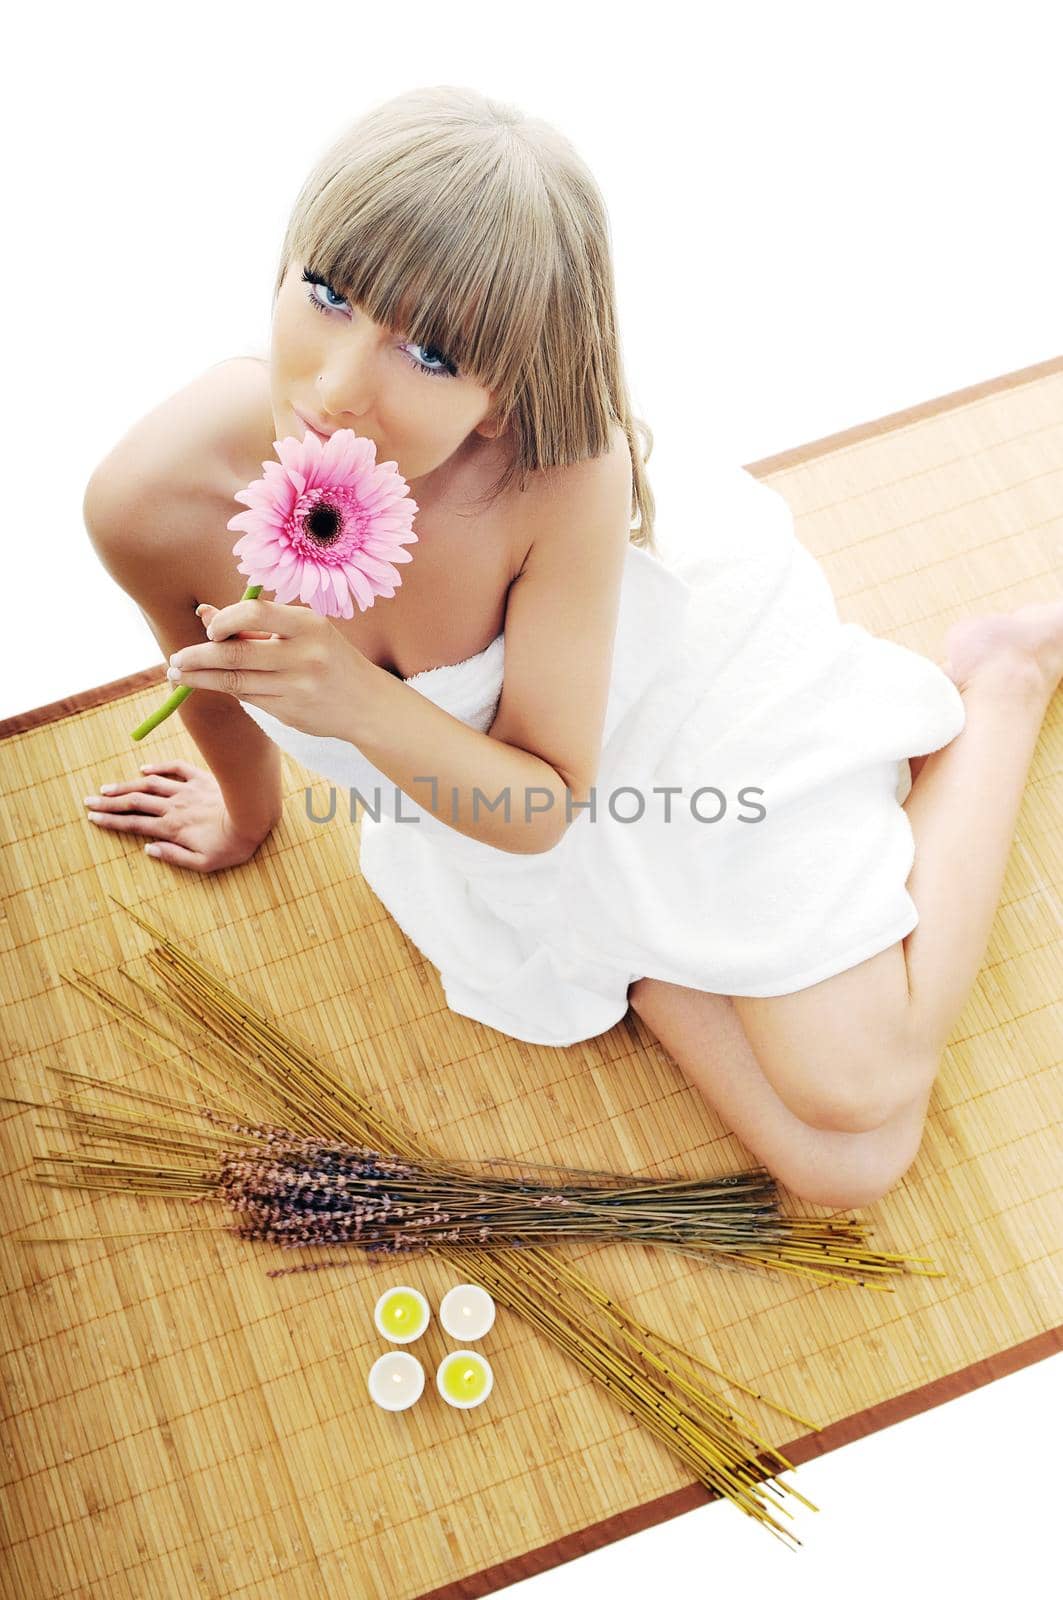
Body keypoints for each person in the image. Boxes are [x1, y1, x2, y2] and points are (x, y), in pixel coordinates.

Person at [80, 85, 1062, 1209]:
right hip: (489, 818)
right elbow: (203, 679)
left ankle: (1002, 674)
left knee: (863, 1080)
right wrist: (245, 815)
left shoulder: (556, 479)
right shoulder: (150, 496)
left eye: (433, 356)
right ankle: (648, 955)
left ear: (505, 400)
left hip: (666, 724)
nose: (342, 386)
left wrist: (351, 699)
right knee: (849, 1164)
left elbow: (545, 797)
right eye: (327, 292)